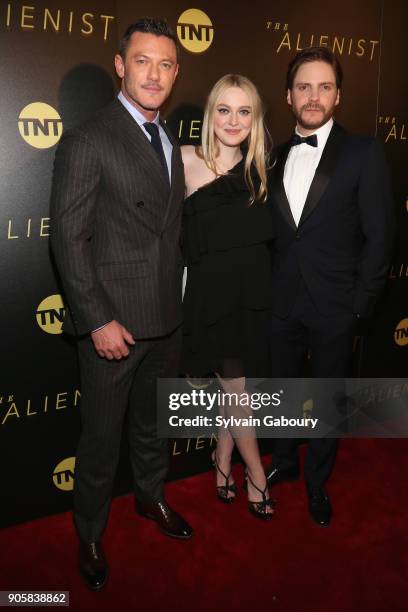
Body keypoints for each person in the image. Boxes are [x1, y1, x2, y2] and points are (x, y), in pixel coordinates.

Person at [50, 18, 192, 592]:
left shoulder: (168, 140)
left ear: (176, 72)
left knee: (153, 427)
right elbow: (68, 238)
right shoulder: (91, 137)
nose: (154, 74)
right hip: (114, 323)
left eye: (165, 64)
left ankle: (150, 500)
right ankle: (88, 533)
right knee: (101, 439)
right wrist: (98, 319)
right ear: (120, 65)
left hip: (166, 318)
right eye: (142, 61)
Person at [267, 47, 395, 526]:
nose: (313, 96)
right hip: (280, 302)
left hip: (335, 306)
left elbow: (381, 235)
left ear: (338, 96)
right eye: (304, 86)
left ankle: (317, 481)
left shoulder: (363, 152)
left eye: (324, 86)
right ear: (288, 95)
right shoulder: (275, 155)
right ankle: (283, 461)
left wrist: (361, 306)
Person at [181, 74, 276, 520]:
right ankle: (256, 473)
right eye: (224, 109)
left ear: (254, 119)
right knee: (238, 391)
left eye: (244, 111)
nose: (233, 121)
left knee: (232, 387)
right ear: (210, 114)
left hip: (252, 299)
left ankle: (221, 462)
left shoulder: (261, 170)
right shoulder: (183, 161)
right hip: (211, 301)